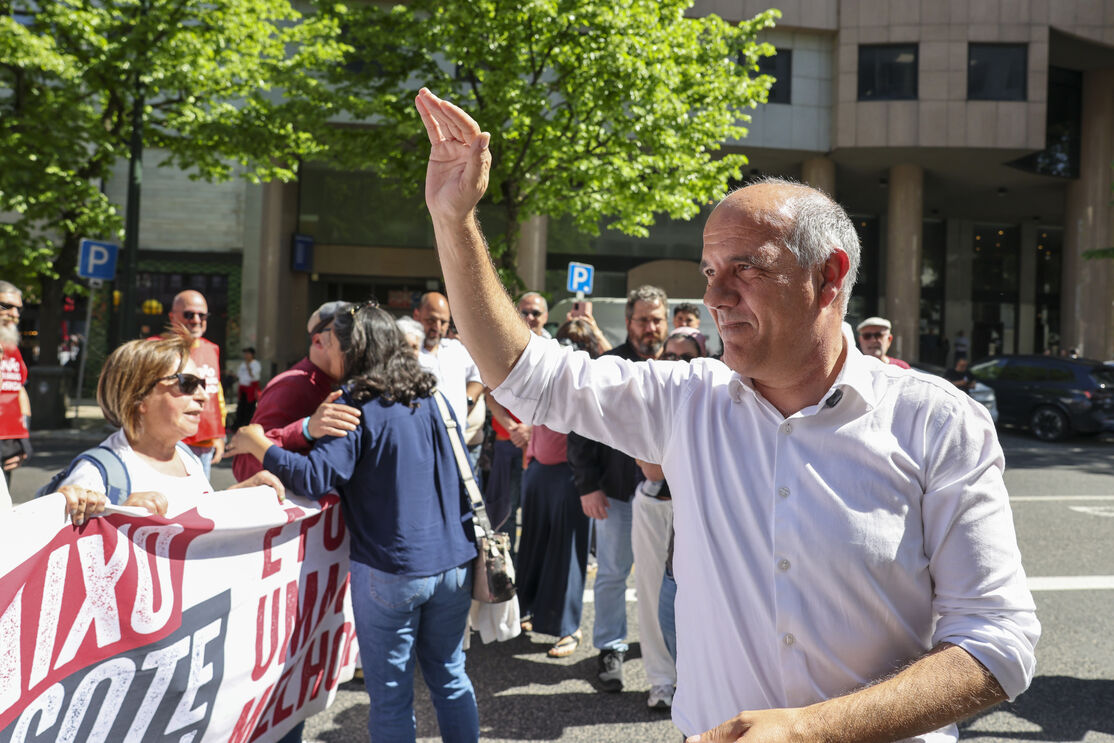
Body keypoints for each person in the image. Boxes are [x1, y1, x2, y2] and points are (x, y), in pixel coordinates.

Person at [414, 89, 1039, 742]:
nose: (714, 295)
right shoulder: (687, 400)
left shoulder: (939, 423)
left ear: (829, 276)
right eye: (710, 270)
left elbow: (997, 641)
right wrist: (454, 220)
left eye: (745, 268)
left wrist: (811, 730)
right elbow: (523, 373)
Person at [230, 304, 480, 743]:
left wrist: (259, 444)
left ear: (353, 349)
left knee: (391, 696)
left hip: (393, 567)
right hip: (455, 563)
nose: (327, 351)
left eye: (334, 343)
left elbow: (315, 476)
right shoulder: (431, 396)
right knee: (450, 676)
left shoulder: (356, 404)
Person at [56, 329, 282, 516]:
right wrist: (119, 516)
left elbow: (196, 516)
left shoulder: (185, 455)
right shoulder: (94, 475)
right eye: (187, 384)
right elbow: (64, 546)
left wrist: (240, 493)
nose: (203, 396)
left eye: (202, 384)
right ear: (139, 396)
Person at [566, 284, 668, 695]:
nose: (650, 327)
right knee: (612, 573)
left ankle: (669, 653)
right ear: (628, 322)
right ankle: (610, 647)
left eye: (656, 320)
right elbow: (580, 429)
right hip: (617, 494)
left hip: (673, 499)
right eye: (642, 320)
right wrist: (588, 486)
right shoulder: (609, 366)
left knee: (672, 580)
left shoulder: (683, 365)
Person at [634, 326, 709, 709]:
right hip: (655, 504)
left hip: (697, 510)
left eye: (686, 357)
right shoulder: (652, 396)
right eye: (670, 356)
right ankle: (661, 680)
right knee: (652, 594)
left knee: (697, 600)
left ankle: (696, 682)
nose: (677, 363)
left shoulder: (717, 396)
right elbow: (652, 467)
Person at [516, 319, 598, 658]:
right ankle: (528, 610)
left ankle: (568, 627)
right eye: (565, 338)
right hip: (538, 469)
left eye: (579, 342)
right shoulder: (546, 370)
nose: (570, 347)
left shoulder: (591, 377)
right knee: (532, 547)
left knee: (567, 554)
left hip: (570, 475)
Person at [232, 301, 362, 482]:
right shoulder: (292, 385)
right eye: (345, 335)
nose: (356, 344)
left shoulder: (343, 381)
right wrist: (305, 430)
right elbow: (245, 464)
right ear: (318, 341)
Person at [414, 292, 483, 468]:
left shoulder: (456, 349)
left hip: (457, 444)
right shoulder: (408, 352)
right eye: (431, 320)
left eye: (443, 322)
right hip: (420, 447)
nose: (437, 327)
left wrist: (468, 399)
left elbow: (479, 376)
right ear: (417, 315)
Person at [162, 290, 226, 477]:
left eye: (202, 315)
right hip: (171, 442)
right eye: (189, 314)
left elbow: (216, 393)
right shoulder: (156, 349)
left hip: (205, 444)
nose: (196, 320)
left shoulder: (212, 348)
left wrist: (218, 435)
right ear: (172, 317)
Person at [0, 281, 31, 489]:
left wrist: (23, 439)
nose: (15, 314)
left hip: (7, 442)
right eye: (7, 306)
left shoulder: (12, 349)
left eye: (18, 308)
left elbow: (19, 390)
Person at [234, 346, 262, 429]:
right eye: (245, 354)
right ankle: (239, 424)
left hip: (251, 388)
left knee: (249, 407)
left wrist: (248, 366)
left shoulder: (256, 364)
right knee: (241, 406)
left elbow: (253, 375)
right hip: (243, 388)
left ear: (252, 354)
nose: (246, 355)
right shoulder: (243, 364)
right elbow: (239, 375)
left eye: (247, 353)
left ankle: (248, 423)